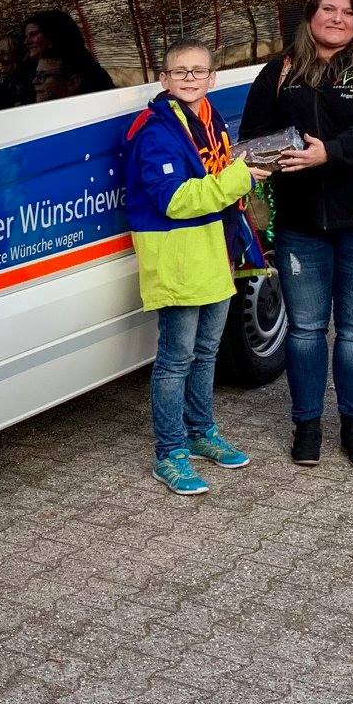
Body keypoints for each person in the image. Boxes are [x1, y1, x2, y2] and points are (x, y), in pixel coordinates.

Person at [239, 0, 353, 468]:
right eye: (327, 10)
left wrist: (328, 154)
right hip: (300, 223)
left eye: (347, 12)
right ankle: (306, 424)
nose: (337, 18)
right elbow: (251, 134)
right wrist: (268, 157)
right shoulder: (282, 69)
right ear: (310, 16)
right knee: (307, 329)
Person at [122, 39, 268, 495]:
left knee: (207, 353)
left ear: (212, 78)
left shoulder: (209, 119)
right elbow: (175, 201)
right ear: (164, 80)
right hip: (179, 258)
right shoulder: (155, 131)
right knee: (175, 360)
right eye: (179, 71)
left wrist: (240, 171)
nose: (189, 78)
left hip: (214, 255)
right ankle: (169, 453)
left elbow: (216, 178)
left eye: (198, 71)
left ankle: (201, 432)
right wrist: (241, 175)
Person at [19, 10, 115, 100]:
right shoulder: (29, 71)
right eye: (26, 36)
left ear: (53, 34)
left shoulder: (89, 72)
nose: (26, 42)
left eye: (33, 34)